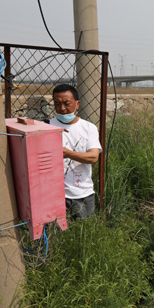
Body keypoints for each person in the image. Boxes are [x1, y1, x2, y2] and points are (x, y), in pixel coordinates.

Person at [49, 83, 101, 220]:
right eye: (57, 104)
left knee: (85, 231)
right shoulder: (46, 127)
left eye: (67, 103)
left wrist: (67, 153)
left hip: (82, 194)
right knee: (55, 231)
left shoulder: (88, 128)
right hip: (54, 194)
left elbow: (93, 157)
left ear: (77, 104)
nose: (62, 108)